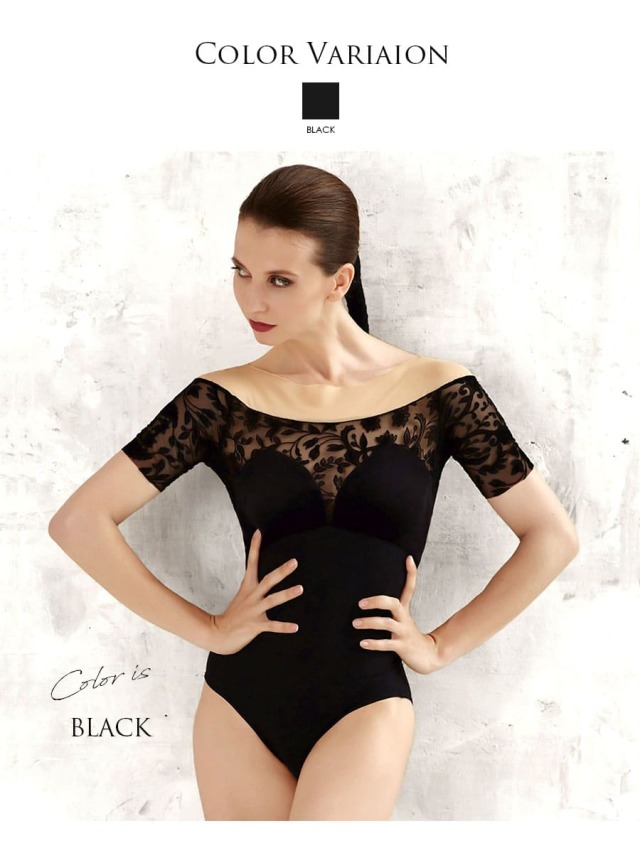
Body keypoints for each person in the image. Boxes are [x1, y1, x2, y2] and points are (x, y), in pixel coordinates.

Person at [48, 163, 580, 821]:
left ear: (340, 280)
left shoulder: (440, 394)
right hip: (238, 703)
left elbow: (552, 537)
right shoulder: (219, 401)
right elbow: (80, 521)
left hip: (367, 700)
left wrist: (440, 646)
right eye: (241, 271)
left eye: (279, 280)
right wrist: (208, 628)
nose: (252, 300)